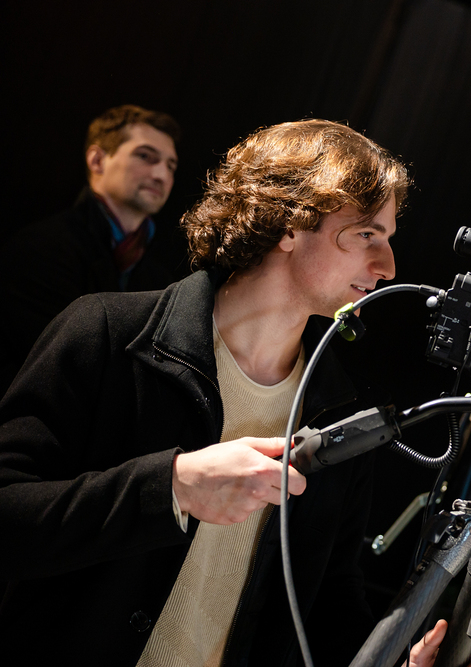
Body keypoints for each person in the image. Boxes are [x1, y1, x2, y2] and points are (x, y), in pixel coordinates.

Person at [0, 119, 411, 665]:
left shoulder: (338, 411)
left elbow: (327, 604)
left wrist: (397, 658)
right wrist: (173, 487)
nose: (387, 267)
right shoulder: (106, 331)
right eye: (366, 235)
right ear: (290, 223)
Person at [0, 104, 183, 393]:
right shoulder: (39, 249)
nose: (161, 174)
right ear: (97, 161)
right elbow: (51, 369)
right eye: (145, 156)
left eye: (170, 166)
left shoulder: (162, 280)